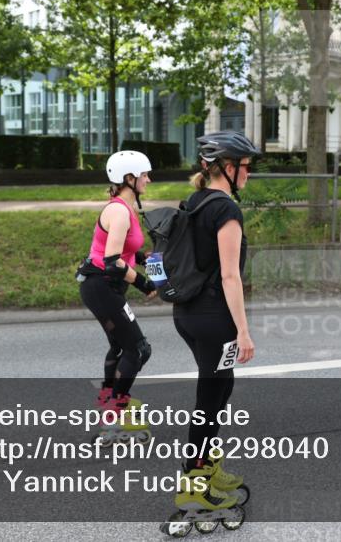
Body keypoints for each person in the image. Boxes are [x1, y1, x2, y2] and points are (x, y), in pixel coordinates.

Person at [172, 131, 259, 513]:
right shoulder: (225, 210)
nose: (248, 174)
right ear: (227, 167)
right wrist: (243, 331)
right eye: (245, 166)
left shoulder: (194, 201)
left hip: (188, 315)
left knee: (221, 388)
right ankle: (193, 483)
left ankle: (205, 467)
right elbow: (229, 276)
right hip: (213, 319)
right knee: (210, 399)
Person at [78, 150, 158, 443]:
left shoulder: (124, 208)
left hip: (101, 287)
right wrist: (145, 284)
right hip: (102, 287)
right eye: (144, 175)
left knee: (120, 346)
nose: (148, 180)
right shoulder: (119, 211)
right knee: (138, 349)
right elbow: (112, 261)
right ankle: (116, 411)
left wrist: (142, 256)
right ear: (129, 178)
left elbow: (122, 250)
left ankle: (108, 402)